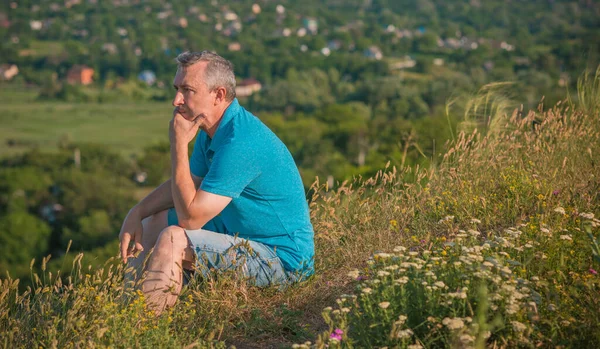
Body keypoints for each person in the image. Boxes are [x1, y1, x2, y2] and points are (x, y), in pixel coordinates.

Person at [118, 51, 314, 312]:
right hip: (238, 238)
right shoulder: (212, 132)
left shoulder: (241, 142)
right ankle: (123, 316)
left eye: (187, 90)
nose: (176, 100)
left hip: (281, 261)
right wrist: (137, 211)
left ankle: (144, 332)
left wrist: (177, 144)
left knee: (174, 238)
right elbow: (191, 184)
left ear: (218, 95)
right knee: (150, 224)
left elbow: (190, 219)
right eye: (177, 88)